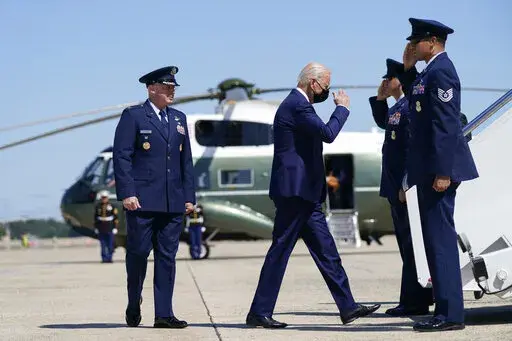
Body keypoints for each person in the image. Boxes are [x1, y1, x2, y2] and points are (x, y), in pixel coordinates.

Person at [245, 62, 380, 329]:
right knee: (280, 251)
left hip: (306, 194)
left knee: (327, 251)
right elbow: (328, 134)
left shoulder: (298, 105)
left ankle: (348, 307)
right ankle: (259, 312)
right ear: (312, 83)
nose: (327, 92)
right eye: (325, 87)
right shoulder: (297, 104)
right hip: (295, 193)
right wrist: (342, 108)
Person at [398, 18, 479, 332]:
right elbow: (417, 99)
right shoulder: (428, 73)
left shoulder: (442, 70)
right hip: (427, 169)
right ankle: (443, 310)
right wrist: (407, 69)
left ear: (431, 41)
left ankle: (450, 314)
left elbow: (446, 126)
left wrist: (444, 172)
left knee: (441, 241)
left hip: (438, 171)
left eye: (415, 41)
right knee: (433, 241)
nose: (411, 46)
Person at [113, 65, 196, 329]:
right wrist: (127, 193)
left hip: (172, 201)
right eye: (167, 87)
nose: (172, 91)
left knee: (167, 257)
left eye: (173, 87)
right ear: (152, 89)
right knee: (138, 253)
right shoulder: (134, 116)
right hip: (143, 201)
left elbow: (186, 162)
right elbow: (122, 156)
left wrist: (188, 196)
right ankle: (133, 298)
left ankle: (163, 314)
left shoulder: (179, 119)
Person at [369, 58, 433, 316]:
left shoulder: (409, 109)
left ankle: (414, 301)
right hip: (395, 187)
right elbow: (385, 123)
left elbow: (412, 151)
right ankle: (419, 297)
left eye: (389, 78)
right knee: (407, 246)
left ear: (400, 80)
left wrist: (406, 184)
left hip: (404, 189)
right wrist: (380, 98)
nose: (385, 81)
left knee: (410, 244)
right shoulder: (399, 108)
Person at [93, 190, 118, 263]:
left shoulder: (112, 206)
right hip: (101, 227)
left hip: (110, 227)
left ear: (107, 198)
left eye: (105, 197)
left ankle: (109, 258)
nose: (104, 199)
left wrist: (115, 228)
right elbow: (95, 218)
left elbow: (116, 218)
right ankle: (104, 259)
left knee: (110, 244)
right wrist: (96, 227)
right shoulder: (98, 206)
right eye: (103, 197)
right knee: (103, 245)